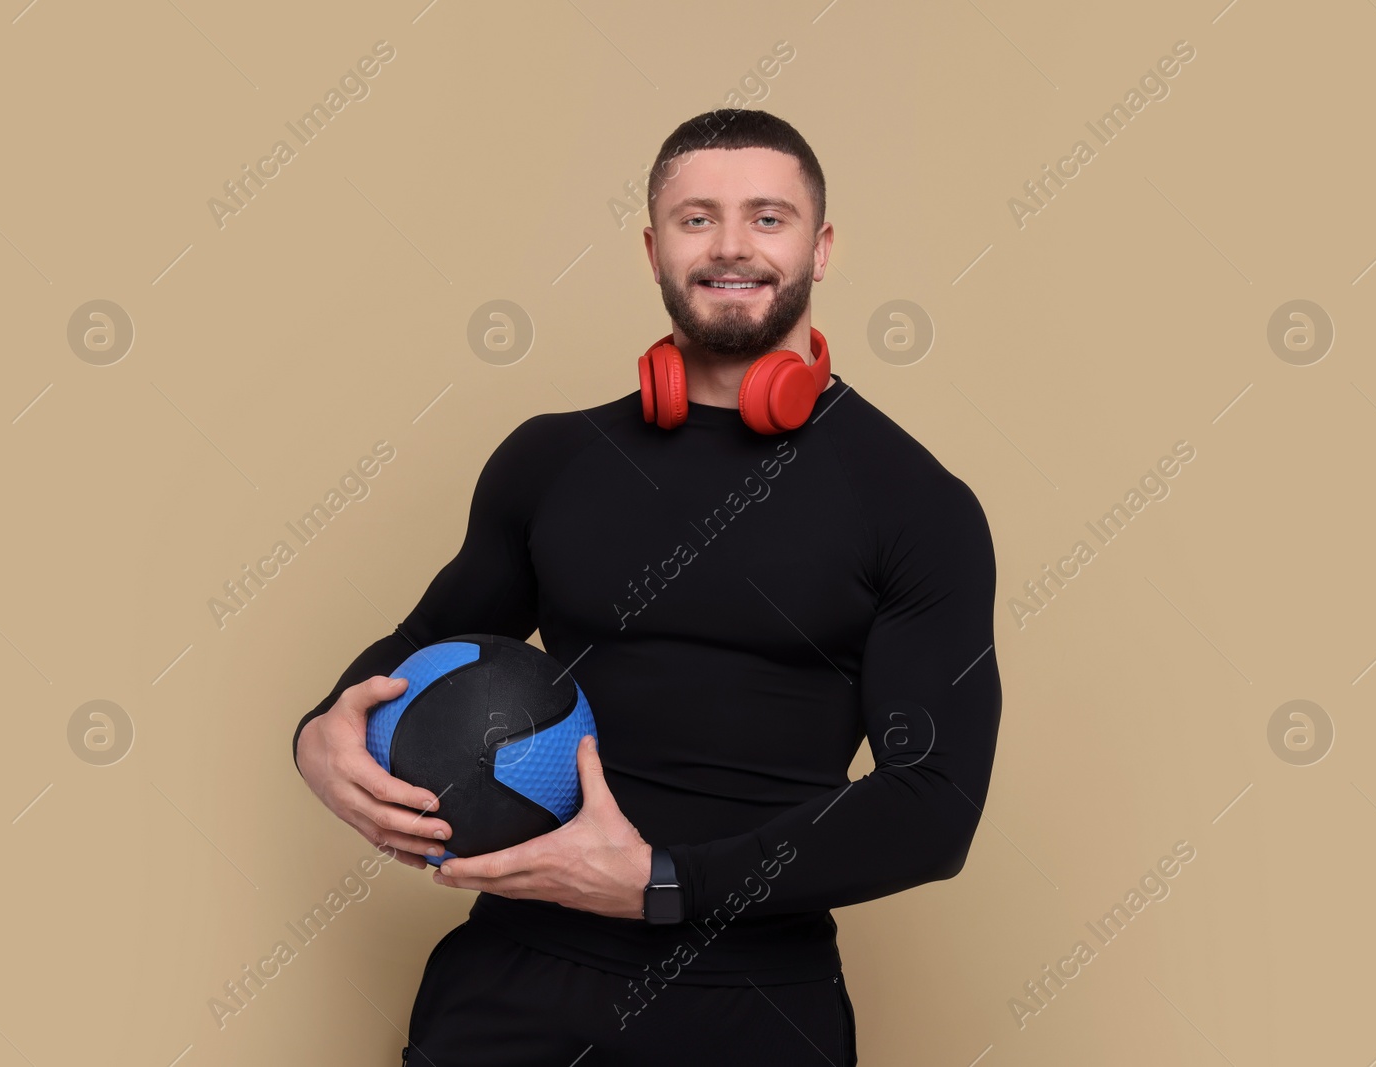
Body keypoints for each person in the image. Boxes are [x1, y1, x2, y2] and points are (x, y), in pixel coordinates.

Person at [292, 108, 1002, 1066]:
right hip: (512, 977)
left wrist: (665, 883)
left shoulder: (916, 501)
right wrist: (320, 730)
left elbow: (934, 804)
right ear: (653, 247)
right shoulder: (552, 460)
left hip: (756, 1004)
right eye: (697, 218)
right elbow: (427, 640)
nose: (731, 246)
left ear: (821, 247)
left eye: (768, 217)